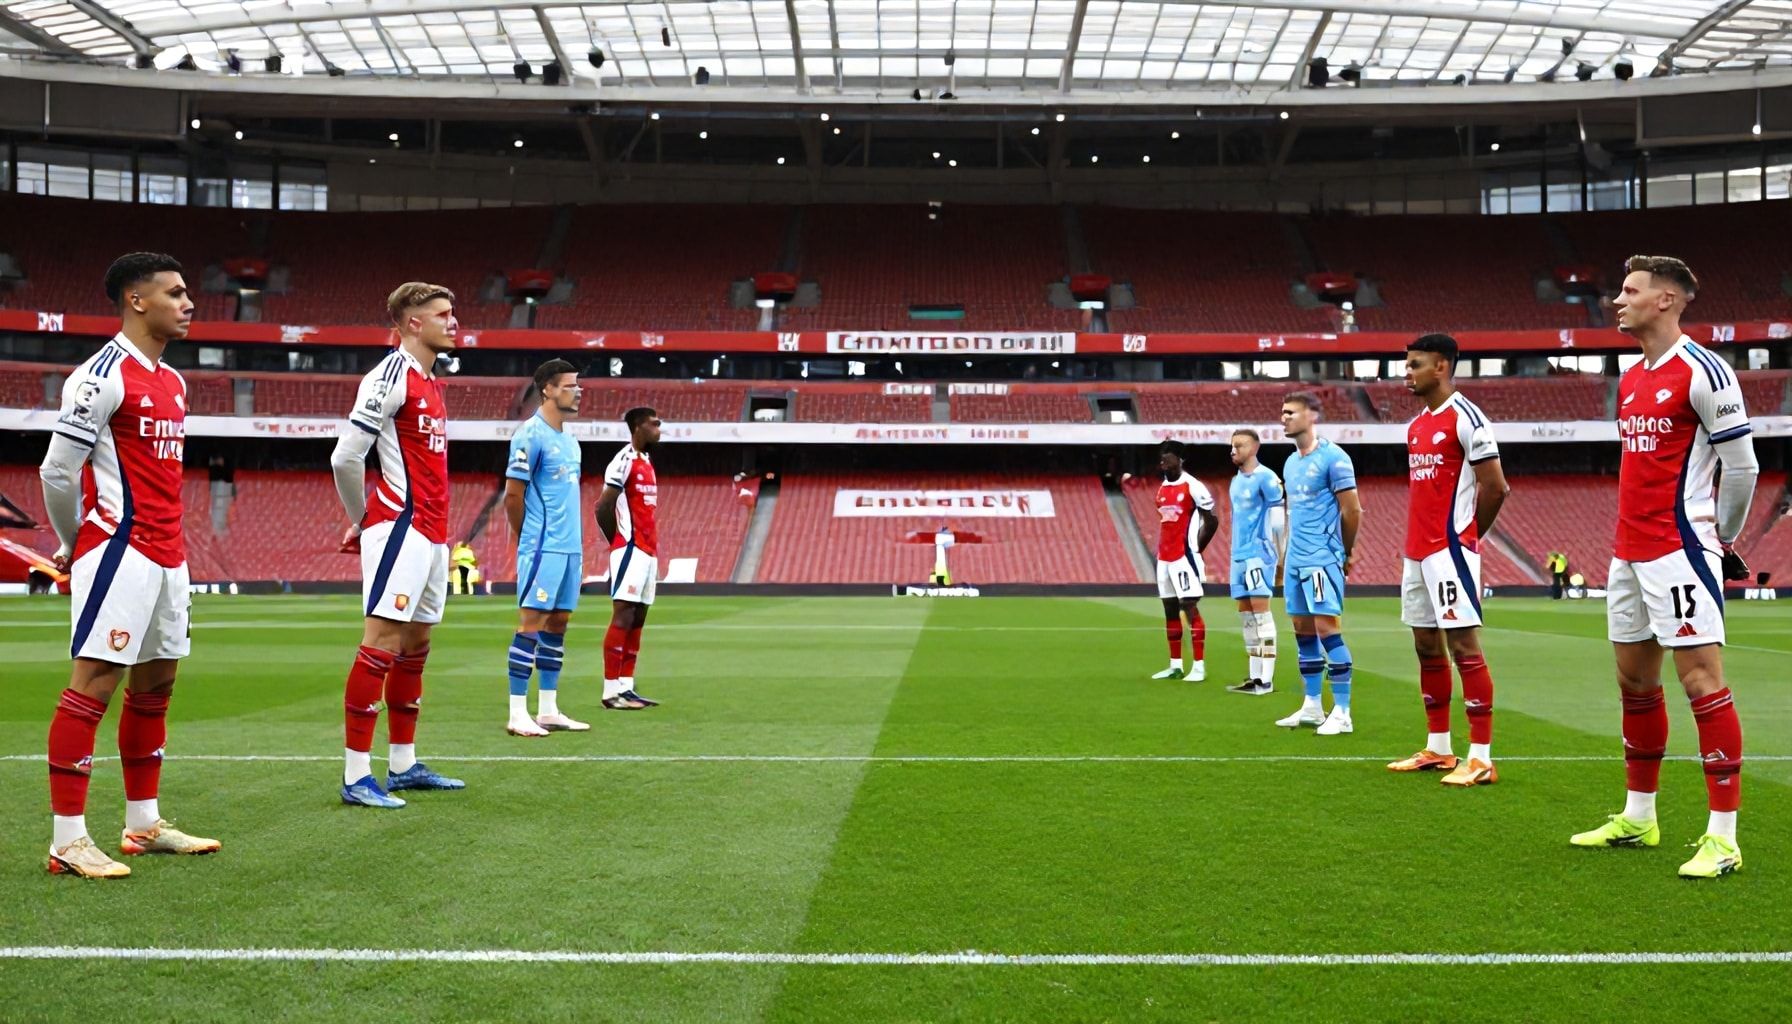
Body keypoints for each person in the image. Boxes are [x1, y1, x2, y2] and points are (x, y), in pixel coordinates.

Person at [1570, 255, 1757, 879]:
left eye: (1630, 291)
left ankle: (1723, 838)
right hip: (1629, 551)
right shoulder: (1631, 378)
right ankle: (1640, 816)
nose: (1616, 301)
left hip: (1682, 548)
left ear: (1668, 300)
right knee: (1635, 684)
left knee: (1702, 682)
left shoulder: (1706, 371)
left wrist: (1720, 538)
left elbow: (1744, 466)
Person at [36, 252, 218, 878]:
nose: (188, 302)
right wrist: (71, 540)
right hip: (119, 549)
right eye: (175, 292)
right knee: (94, 686)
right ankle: (67, 840)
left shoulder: (172, 380)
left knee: (156, 685)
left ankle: (143, 825)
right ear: (137, 301)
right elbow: (57, 470)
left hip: (170, 554)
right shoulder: (99, 376)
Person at [328, 282, 467, 809]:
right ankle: (357, 775)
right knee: (381, 642)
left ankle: (404, 765)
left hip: (432, 533)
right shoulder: (389, 377)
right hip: (401, 527)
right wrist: (362, 519)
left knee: (416, 646)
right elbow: (346, 457)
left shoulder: (431, 382)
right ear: (413, 323)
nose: (453, 323)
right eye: (443, 315)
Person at [1386, 334, 1510, 786]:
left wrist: (1467, 538)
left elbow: (1495, 487)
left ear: (1441, 366)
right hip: (1415, 551)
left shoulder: (1467, 418)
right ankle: (1439, 748)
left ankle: (1481, 757)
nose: (1407, 372)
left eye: (1414, 364)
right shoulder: (1417, 425)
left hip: (1450, 550)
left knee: (1463, 647)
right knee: (1425, 645)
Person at [502, 358, 589, 737]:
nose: (577, 392)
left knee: (559, 623)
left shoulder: (570, 440)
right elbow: (512, 495)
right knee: (530, 623)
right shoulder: (529, 435)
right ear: (548, 389)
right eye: (570, 386)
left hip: (570, 548)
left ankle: (549, 709)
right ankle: (518, 712)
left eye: (577, 385)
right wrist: (527, 539)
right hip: (542, 546)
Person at [1273, 392, 1362, 735]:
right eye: (1282, 412)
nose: (1284, 418)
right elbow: (1292, 514)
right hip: (1296, 558)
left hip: (1322, 559)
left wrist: (1346, 551)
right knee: (1302, 631)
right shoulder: (1290, 462)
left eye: (1290, 412)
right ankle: (1312, 705)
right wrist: (1284, 557)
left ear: (1312, 415)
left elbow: (1352, 510)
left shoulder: (1335, 458)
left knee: (1328, 631)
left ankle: (1342, 711)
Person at [595, 406, 664, 711]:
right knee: (622, 615)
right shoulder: (623, 461)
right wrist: (618, 543)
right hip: (631, 549)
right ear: (637, 428)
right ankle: (611, 692)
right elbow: (602, 507)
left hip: (649, 551)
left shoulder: (647, 462)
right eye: (654, 424)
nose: (659, 430)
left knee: (638, 618)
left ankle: (627, 686)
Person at [1150, 440, 1219, 681]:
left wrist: (1197, 548)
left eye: (1167, 457)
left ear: (1180, 460)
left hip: (1183, 557)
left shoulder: (1193, 486)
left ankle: (1198, 667)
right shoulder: (1162, 487)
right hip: (1164, 558)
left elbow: (1211, 520)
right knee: (1169, 610)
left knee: (1189, 607)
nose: (1163, 461)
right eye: (1161, 457)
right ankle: (1175, 665)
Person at [1224, 429, 1285, 696]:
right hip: (1238, 554)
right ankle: (1253, 676)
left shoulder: (1268, 479)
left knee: (1261, 615)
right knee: (1246, 616)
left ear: (1255, 447)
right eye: (1232, 446)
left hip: (1258, 554)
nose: (1233, 450)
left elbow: (1279, 522)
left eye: (1239, 445)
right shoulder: (1236, 481)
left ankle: (1266, 681)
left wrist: (1281, 558)